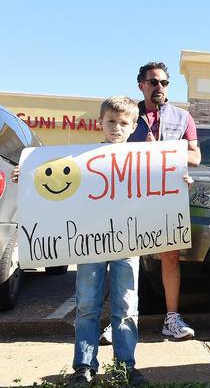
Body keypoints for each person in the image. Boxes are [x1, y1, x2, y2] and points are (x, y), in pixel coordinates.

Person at [17, 97, 146, 385]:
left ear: (133, 126)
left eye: (124, 123)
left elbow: (158, 188)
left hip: (129, 241)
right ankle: (84, 366)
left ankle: (126, 365)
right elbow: (50, 178)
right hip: (89, 241)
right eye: (111, 121)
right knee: (87, 304)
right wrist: (27, 174)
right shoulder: (82, 158)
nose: (116, 128)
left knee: (126, 305)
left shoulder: (143, 160)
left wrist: (176, 181)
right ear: (100, 122)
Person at [129, 61, 201, 340]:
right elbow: (113, 149)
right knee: (128, 256)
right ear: (141, 85)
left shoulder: (183, 118)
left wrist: (163, 152)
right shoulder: (127, 113)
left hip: (168, 196)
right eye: (154, 82)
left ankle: (172, 319)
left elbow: (194, 156)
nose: (160, 87)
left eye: (164, 83)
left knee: (170, 257)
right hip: (132, 196)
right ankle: (124, 318)